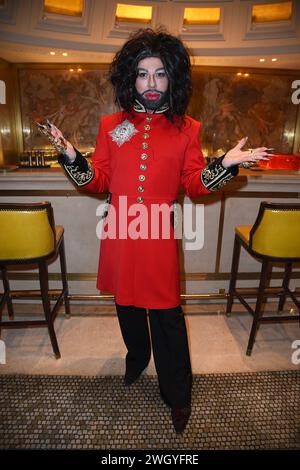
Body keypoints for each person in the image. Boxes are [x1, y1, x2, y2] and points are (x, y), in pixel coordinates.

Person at [41, 28, 272, 434]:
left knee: (167, 315)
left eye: (160, 73)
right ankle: (136, 359)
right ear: (130, 78)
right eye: (142, 74)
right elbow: (98, 181)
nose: (151, 83)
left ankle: (177, 393)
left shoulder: (188, 129)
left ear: (173, 78)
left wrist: (226, 163)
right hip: (120, 231)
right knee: (126, 306)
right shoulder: (112, 125)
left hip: (158, 235)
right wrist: (71, 155)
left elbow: (197, 185)